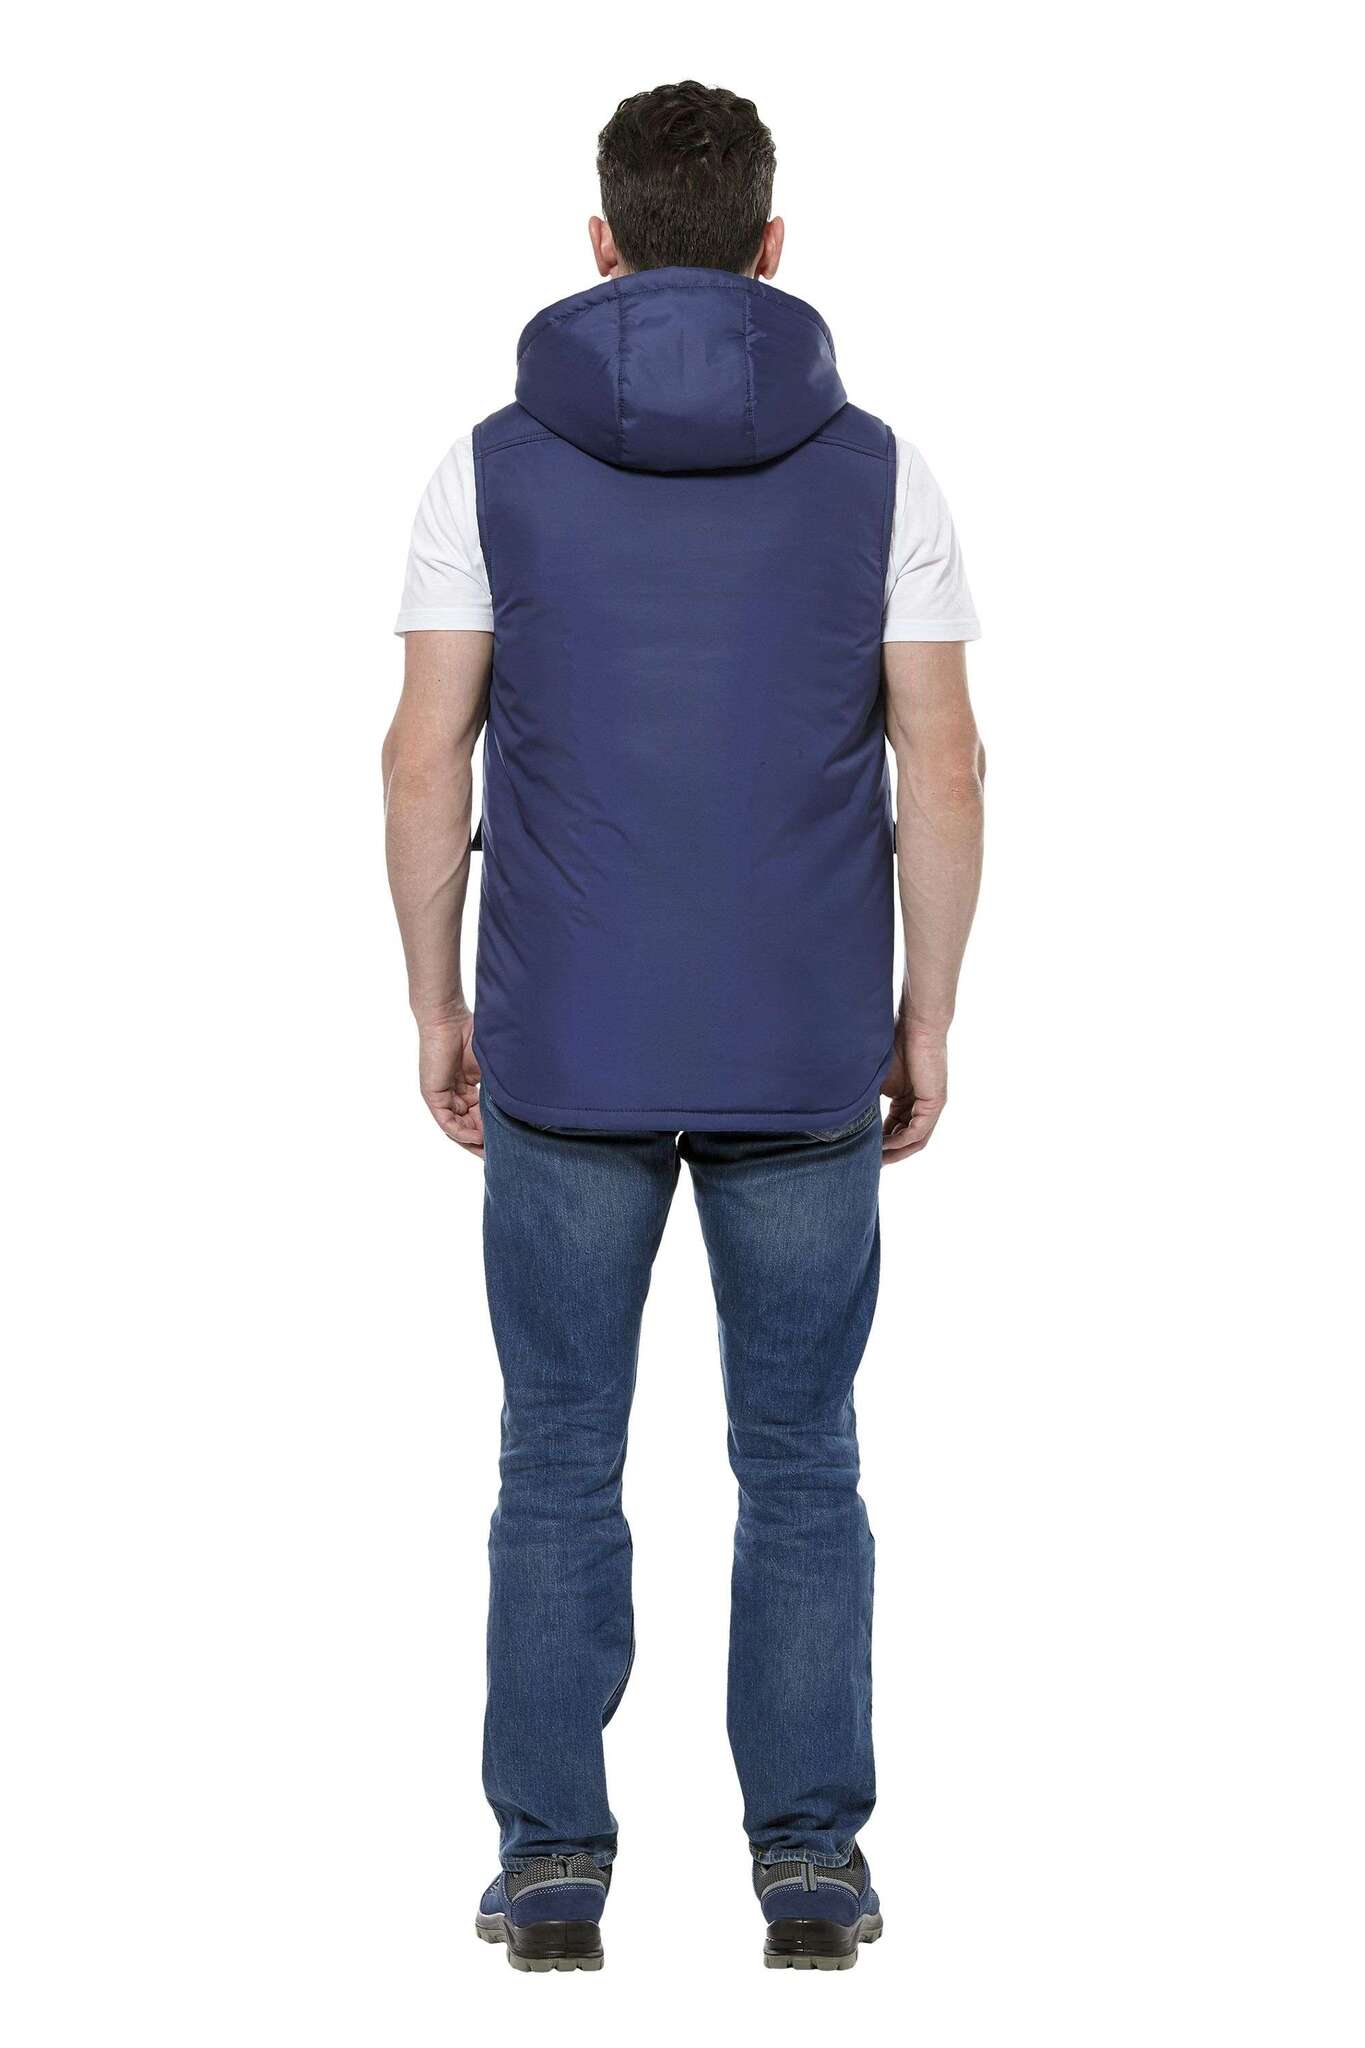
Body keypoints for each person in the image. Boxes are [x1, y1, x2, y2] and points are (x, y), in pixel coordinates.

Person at [382, 79, 984, 1974]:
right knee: (800, 1460)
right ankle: (810, 1869)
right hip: (802, 1048)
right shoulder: (880, 471)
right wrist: (926, 1013)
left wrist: (433, 1000)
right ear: (772, 248)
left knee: (556, 1456)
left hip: (561, 1044)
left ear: (602, 244)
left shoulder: (487, 466)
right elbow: (944, 765)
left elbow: (422, 758)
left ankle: (552, 1870)